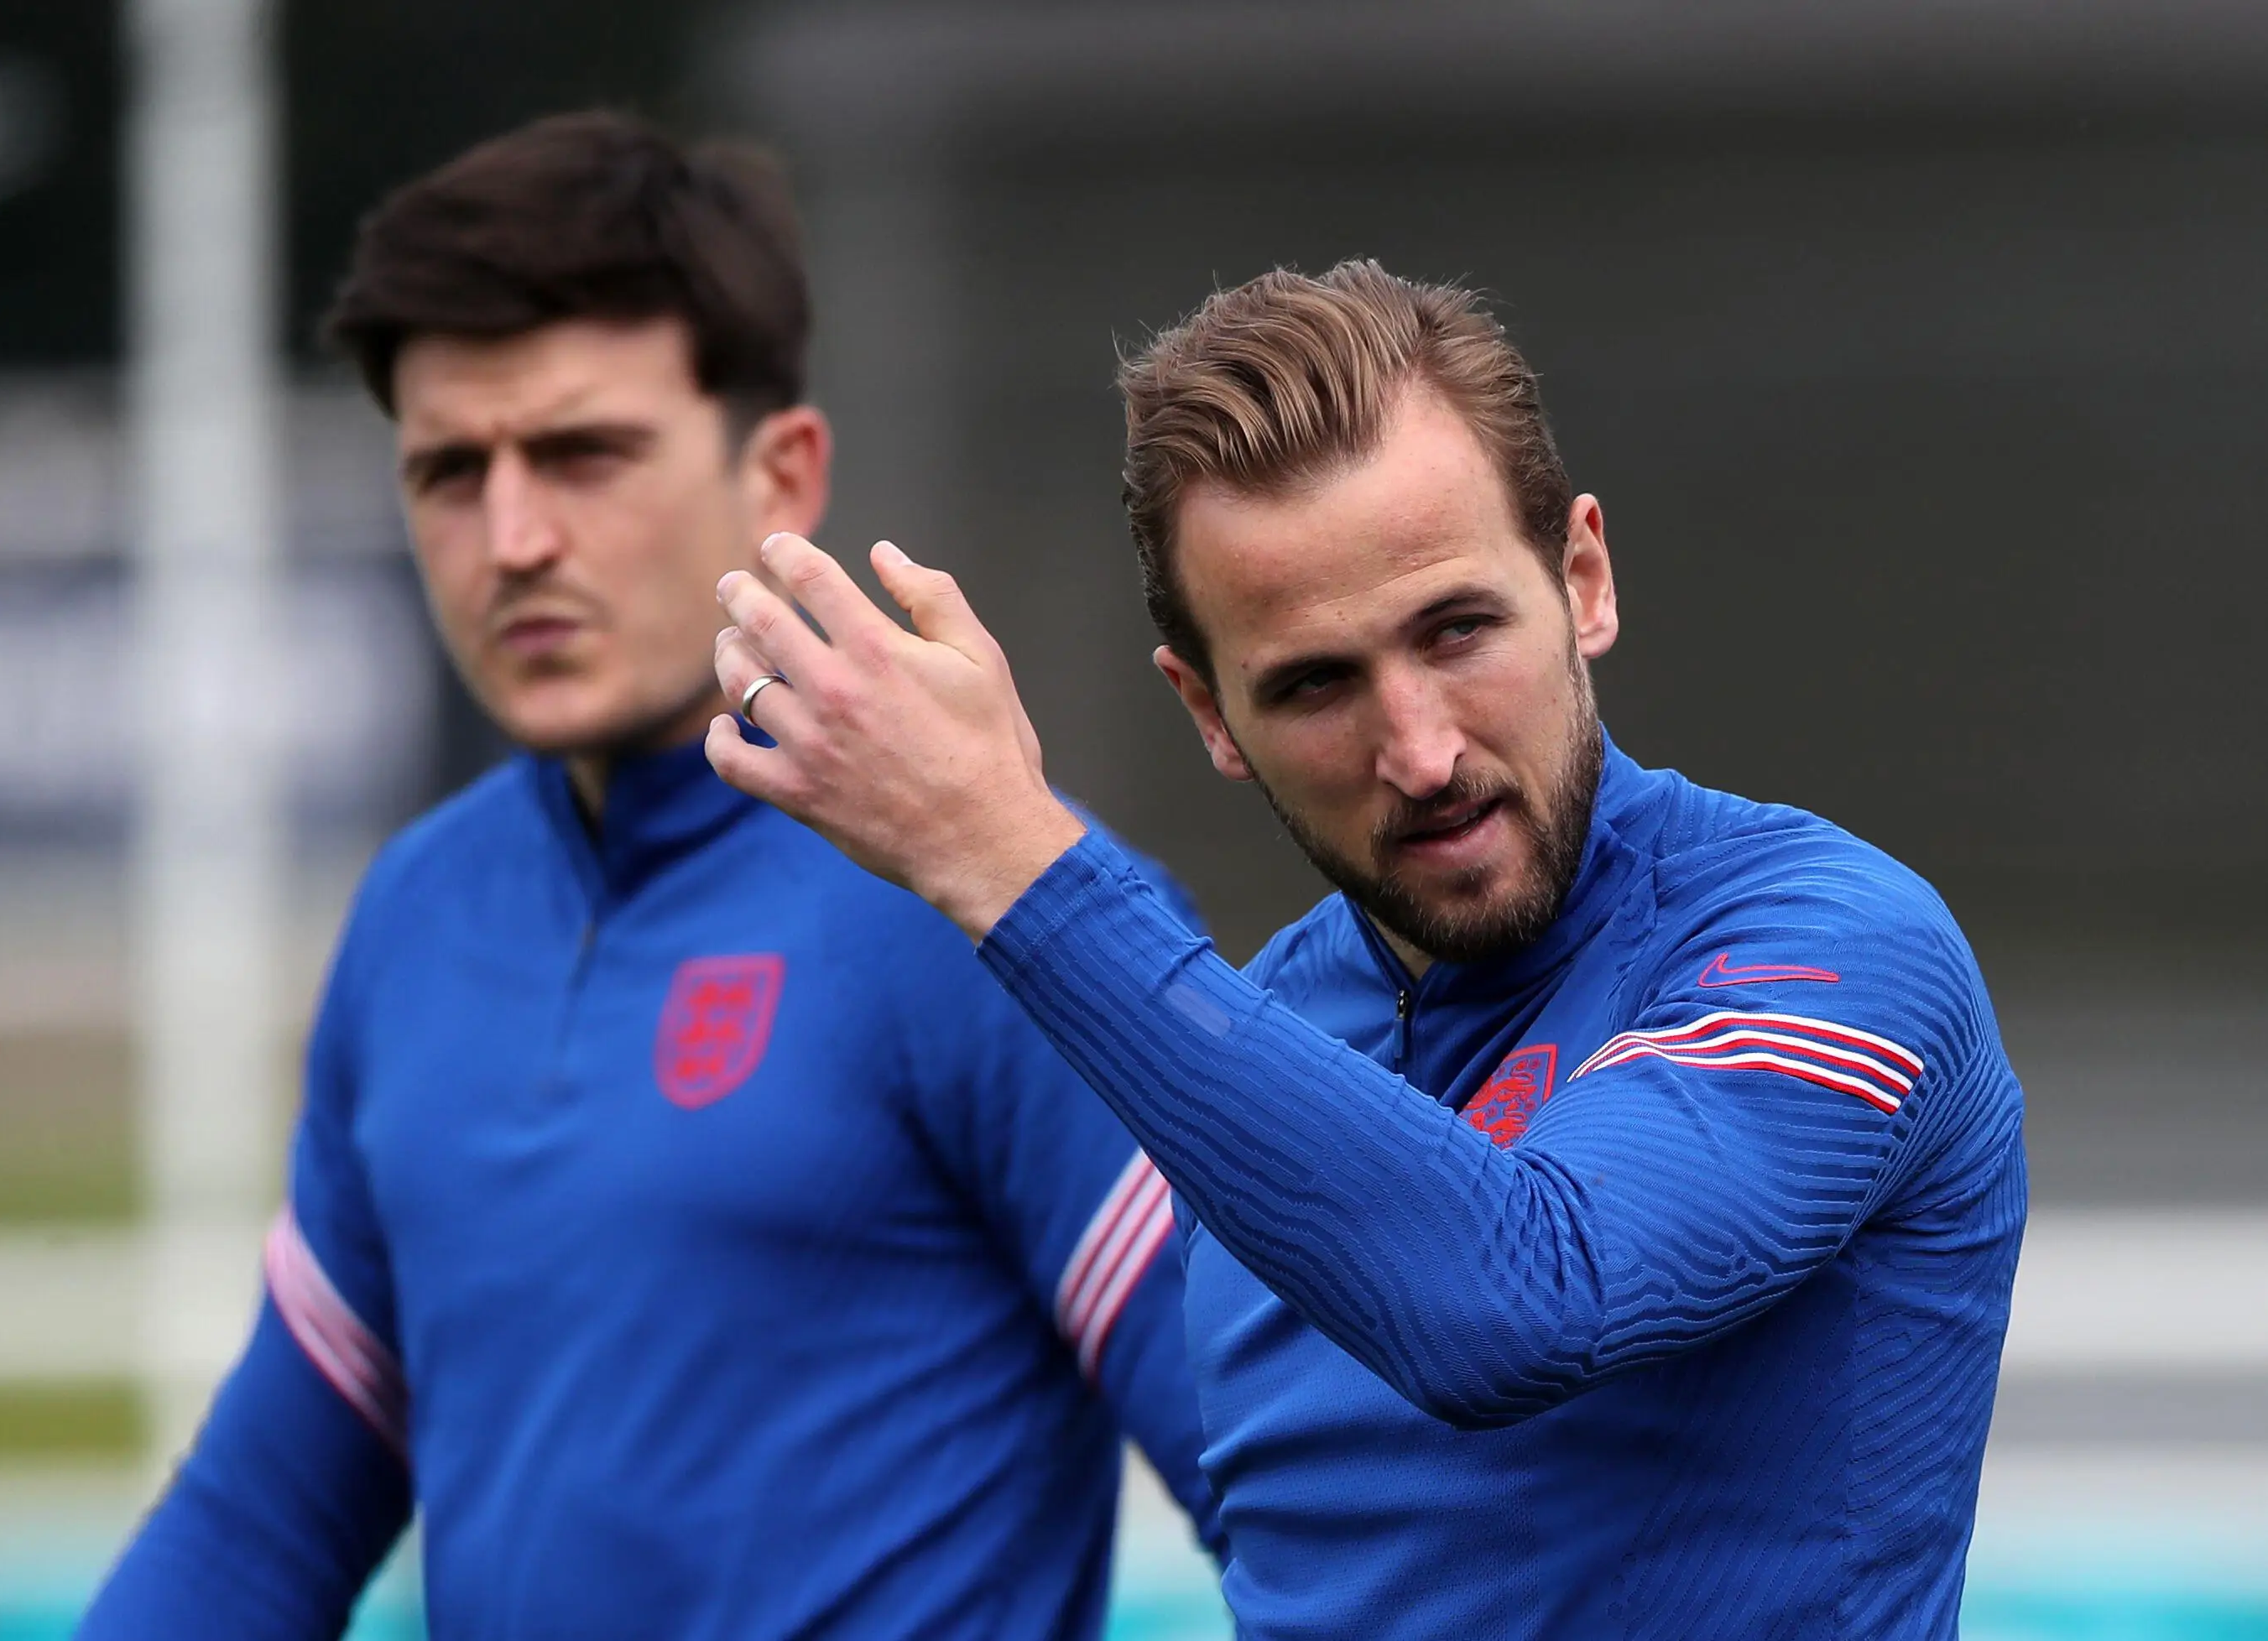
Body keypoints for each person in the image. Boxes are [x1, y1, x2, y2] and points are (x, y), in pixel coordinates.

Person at [705, 259, 2026, 1638]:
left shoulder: (1832, 940)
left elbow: (1524, 1304)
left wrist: (1004, 853)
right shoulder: (1252, 1035)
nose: (1422, 750)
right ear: (1209, 714)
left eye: (1457, 631)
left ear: (1581, 577)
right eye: (1316, 684)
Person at [78, 112, 1220, 1641]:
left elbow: (1291, 1481)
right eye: (448, 470)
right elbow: (257, 1527)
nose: (513, 537)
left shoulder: (997, 905)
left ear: (784, 473)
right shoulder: (420, 917)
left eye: (582, 453)